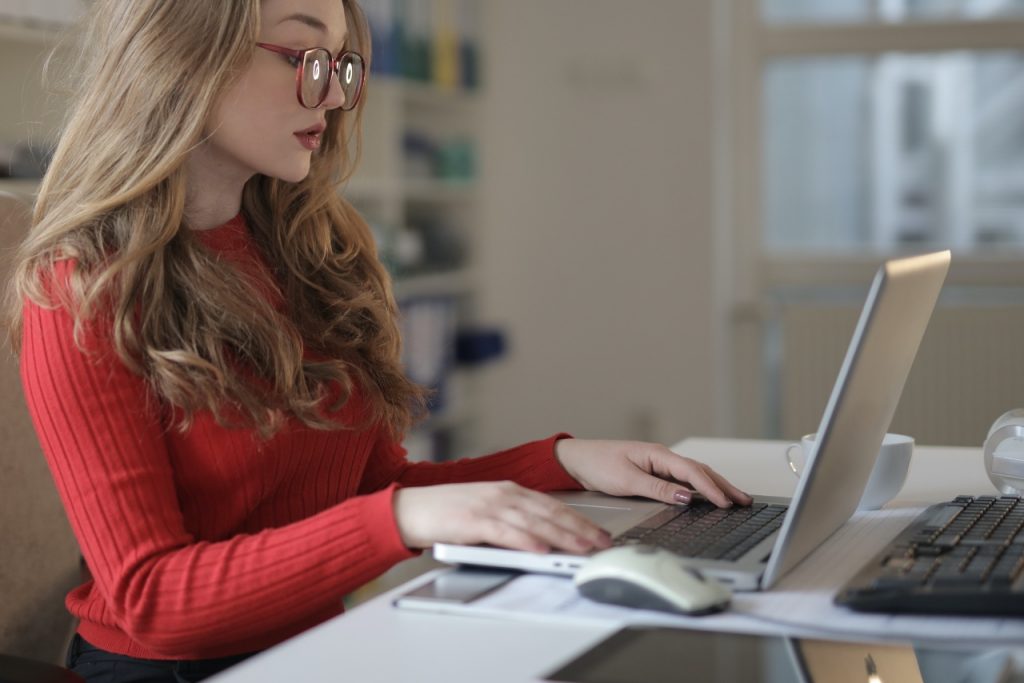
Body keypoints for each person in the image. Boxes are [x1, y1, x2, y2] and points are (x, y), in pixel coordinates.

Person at [6, 0, 751, 680]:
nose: (333, 95)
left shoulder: (310, 249)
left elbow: (371, 492)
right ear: (186, 56)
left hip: (318, 647)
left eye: (342, 65)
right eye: (306, 59)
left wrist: (561, 461)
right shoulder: (83, 286)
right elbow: (147, 595)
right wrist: (400, 520)